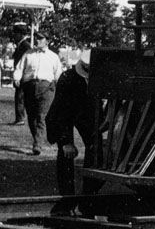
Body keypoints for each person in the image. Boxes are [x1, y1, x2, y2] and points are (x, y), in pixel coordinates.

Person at [46, 50, 100, 216]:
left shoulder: (101, 78)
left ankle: (88, 196)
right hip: (65, 114)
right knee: (66, 154)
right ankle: (67, 196)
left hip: (88, 115)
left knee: (97, 151)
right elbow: (61, 113)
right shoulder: (67, 79)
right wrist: (66, 142)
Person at [13, 31, 62, 155]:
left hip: (46, 88)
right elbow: (19, 68)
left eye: (41, 38)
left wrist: (58, 87)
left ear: (47, 41)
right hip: (29, 87)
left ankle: (37, 145)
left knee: (42, 116)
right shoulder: (28, 54)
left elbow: (58, 74)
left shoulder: (53, 57)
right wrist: (17, 78)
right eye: (37, 38)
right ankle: (37, 138)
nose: (37, 41)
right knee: (32, 117)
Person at [10, 26, 32, 124]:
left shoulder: (25, 46)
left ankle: (20, 118)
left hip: (22, 75)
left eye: (16, 33)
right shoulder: (21, 45)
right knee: (19, 96)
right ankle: (19, 117)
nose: (14, 36)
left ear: (21, 34)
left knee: (20, 97)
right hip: (20, 74)